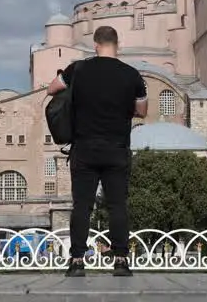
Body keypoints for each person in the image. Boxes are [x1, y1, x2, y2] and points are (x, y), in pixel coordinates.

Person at [46, 26, 146, 278]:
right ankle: (121, 261)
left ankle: (78, 261)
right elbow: (142, 110)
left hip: (85, 148)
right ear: (117, 44)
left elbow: (51, 89)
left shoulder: (78, 69)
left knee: (82, 205)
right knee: (117, 206)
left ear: (95, 44)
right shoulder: (132, 75)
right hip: (117, 148)